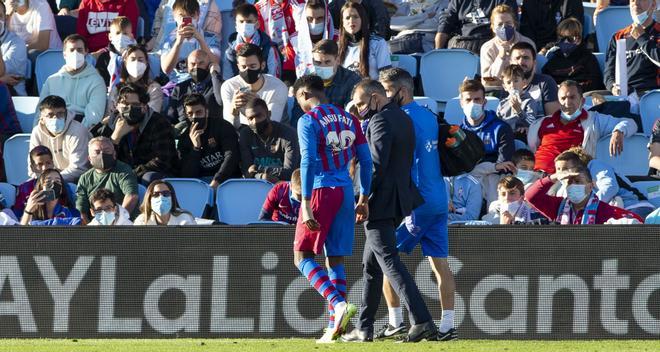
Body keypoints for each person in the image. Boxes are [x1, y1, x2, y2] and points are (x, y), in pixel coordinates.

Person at [342, 79, 436, 343]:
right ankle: (364, 327)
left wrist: (363, 198)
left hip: (380, 202)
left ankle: (422, 320)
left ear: (375, 97)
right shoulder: (403, 118)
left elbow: (376, 165)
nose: (359, 109)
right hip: (397, 199)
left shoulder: (380, 121)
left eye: (361, 103)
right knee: (371, 267)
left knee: (389, 262)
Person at [291, 74, 372, 343]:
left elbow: (308, 161)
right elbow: (366, 161)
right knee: (335, 259)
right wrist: (364, 197)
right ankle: (334, 328)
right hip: (346, 191)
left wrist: (305, 203)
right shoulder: (350, 119)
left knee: (302, 256)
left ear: (303, 95)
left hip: (320, 190)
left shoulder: (308, 120)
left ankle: (337, 304)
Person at [378, 68, 457, 341]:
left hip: (417, 201)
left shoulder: (400, 120)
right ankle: (447, 326)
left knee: (386, 258)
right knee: (440, 265)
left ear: (401, 91)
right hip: (437, 198)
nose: (384, 98)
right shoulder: (428, 114)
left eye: (387, 92)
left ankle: (396, 321)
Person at [527, 80, 638, 174]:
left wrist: (619, 131)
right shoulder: (542, 123)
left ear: (582, 100)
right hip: (537, 174)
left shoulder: (594, 120)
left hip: (570, 177)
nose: (567, 102)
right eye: (563, 98)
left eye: (572, 97)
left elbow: (630, 123)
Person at [103, 83, 177, 185]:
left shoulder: (158, 123)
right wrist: (115, 138)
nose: (129, 108)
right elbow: (104, 163)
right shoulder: (111, 123)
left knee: (149, 177)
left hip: (149, 175)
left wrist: (132, 174)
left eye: (135, 105)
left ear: (145, 107)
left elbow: (162, 160)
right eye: (125, 104)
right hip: (120, 175)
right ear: (117, 106)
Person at [553, 147, 656, 219]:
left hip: (633, 207)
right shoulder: (566, 185)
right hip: (610, 214)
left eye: (567, 167)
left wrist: (585, 208)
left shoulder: (594, 165)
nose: (563, 172)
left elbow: (610, 188)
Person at [459, 79, 515, 204]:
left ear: (484, 102)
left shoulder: (501, 128)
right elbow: (460, 167)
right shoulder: (458, 132)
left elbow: (504, 166)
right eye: (468, 100)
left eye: (477, 99)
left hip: (493, 180)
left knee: (493, 179)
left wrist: (483, 168)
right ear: (461, 103)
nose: (472, 103)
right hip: (468, 179)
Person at [526, 166, 643, 224]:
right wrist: (554, 177)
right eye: (569, 182)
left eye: (578, 181)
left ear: (591, 186)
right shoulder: (558, 206)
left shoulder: (606, 211)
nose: (573, 185)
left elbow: (636, 221)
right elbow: (531, 196)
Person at [39, 34, 107, 129]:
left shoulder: (96, 81)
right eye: (71, 50)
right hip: (52, 128)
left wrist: (75, 133)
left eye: (79, 50)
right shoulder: (51, 80)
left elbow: (93, 117)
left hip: (81, 130)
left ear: (86, 52)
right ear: (64, 54)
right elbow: (40, 112)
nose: (75, 54)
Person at [290, 39, 361, 126]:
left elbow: (350, 115)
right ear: (312, 61)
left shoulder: (352, 80)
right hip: (313, 129)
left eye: (327, 62)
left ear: (337, 60)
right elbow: (297, 118)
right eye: (318, 62)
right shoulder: (305, 83)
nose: (322, 66)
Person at [177, 93, 241, 188]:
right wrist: (196, 148)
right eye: (190, 114)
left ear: (206, 112)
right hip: (201, 182)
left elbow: (231, 156)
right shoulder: (184, 138)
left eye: (199, 112)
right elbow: (187, 174)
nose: (194, 117)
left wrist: (217, 180)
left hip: (228, 179)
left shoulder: (223, 126)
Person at [220, 43, 288, 129]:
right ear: (238, 67)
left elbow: (271, 124)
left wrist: (258, 106)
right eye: (243, 67)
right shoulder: (229, 87)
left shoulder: (277, 87)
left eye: (253, 66)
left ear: (262, 65)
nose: (247, 71)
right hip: (241, 135)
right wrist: (234, 111)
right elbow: (229, 127)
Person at [76, 136, 139, 223]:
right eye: (97, 152)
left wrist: (118, 221)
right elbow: (81, 210)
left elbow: (132, 196)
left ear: (114, 154)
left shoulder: (123, 170)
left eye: (106, 151)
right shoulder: (85, 178)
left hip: (124, 224)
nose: (102, 154)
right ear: (89, 158)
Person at [604, 0, 659, 96]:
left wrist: (641, 37)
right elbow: (609, 73)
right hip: (624, 93)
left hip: (652, 93)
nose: (636, 3)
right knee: (588, 97)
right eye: (632, 0)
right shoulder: (618, 36)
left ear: (653, 5)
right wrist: (613, 87)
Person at [29, 95, 90, 183]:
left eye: (60, 114)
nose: (55, 118)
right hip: (46, 180)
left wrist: (53, 179)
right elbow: (33, 165)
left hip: (76, 181)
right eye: (50, 115)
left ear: (66, 113)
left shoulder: (78, 130)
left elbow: (78, 167)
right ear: (41, 118)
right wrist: (44, 181)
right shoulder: (37, 132)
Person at [158, 0, 220, 85]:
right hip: (177, 84)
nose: (187, 20)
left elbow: (215, 63)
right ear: (174, 16)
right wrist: (178, 43)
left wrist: (200, 40)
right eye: (182, 16)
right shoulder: (169, 39)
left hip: (204, 83)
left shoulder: (210, 37)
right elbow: (166, 69)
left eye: (191, 15)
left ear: (198, 15)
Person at [239, 98, 299, 183]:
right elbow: (247, 172)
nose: (255, 121)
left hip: (285, 186)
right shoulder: (245, 134)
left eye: (259, 116)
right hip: (255, 185)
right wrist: (262, 176)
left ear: (269, 114)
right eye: (250, 118)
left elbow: (290, 173)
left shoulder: (288, 134)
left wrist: (260, 169)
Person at [542, 18, 604, 93]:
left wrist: (572, 90)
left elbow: (595, 83)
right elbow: (545, 82)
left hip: (582, 97)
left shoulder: (588, 58)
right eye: (562, 38)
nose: (565, 41)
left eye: (570, 39)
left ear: (578, 39)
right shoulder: (553, 59)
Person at [480, 4, 535, 89]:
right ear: (493, 27)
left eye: (508, 23)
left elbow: (531, 73)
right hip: (498, 91)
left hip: (525, 90)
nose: (504, 27)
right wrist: (501, 57)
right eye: (500, 24)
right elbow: (487, 81)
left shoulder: (527, 43)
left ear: (514, 25)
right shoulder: (487, 48)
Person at [434, 0, 517, 54]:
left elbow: (506, 27)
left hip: (487, 45)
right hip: (458, 45)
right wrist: (437, 52)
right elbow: (445, 24)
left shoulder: (504, 1)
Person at [224, 3, 281, 80]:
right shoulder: (230, 52)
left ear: (257, 24)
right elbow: (228, 81)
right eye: (241, 21)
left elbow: (274, 79)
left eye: (249, 21)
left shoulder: (269, 48)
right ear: (236, 25)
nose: (245, 25)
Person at [338, 2, 391, 79]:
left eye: (355, 17)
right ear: (342, 22)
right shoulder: (337, 46)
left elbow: (386, 78)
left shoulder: (378, 43)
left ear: (363, 20)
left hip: (373, 89)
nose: (351, 20)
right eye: (347, 18)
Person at [107, 45, 163, 117]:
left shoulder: (153, 88)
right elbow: (110, 114)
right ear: (125, 62)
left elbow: (152, 115)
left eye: (140, 60)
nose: (136, 63)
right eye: (132, 59)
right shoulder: (116, 88)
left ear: (146, 63)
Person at [167, 49, 221, 123]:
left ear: (209, 65)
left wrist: (214, 74)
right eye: (192, 64)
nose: (196, 67)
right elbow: (171, 117)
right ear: (187, 67)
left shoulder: (216, 85)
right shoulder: (179, 88)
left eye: (201, 63)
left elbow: (220, 100)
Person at [510, 41, 561, 116]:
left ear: (534, 63)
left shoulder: (546, 83)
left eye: (526, 58)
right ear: (510, 62)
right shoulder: (507, 84)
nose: (521, 62)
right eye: (517, 58)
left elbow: (552, 119)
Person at [496, 64, 544, 137]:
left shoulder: (529, 101)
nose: (512, 85)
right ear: (505, 87)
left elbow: (532, 122)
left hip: (521, 135)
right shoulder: (502, 104)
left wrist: (519, 111)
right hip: (505, 136)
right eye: (509, 82)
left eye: (516, 81)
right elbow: (497, 123)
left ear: (524, 83)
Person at [293, 0, 337, 78]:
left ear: (326, 18)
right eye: (310, 19)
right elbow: (288, 72)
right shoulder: (293, 41)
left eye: (319, 18)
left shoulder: (338, 38)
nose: (314, 23)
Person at [519, 0, 583, 50]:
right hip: (533, 49)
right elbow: (526, 30)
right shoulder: (529, 2)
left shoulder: (573, 2)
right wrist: (532, 49)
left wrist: (547, 49)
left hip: (560, 51)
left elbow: (570, 36)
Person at [95, 16, 137, 87]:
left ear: (131, 36)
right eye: (117, 33)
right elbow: (100, 80)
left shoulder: (136, 57)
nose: (121, 37)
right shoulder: (104, 58)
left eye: (125, 34)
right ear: (110, 36)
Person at [13, 145, 53, 217]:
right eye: (40, 164)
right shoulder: (24, 188)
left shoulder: (62, 186)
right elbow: (17, 215)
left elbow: (71, 214)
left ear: (53, 164)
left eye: (48, 163)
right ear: (32, 168)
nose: (45, 168)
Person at [0, 1, 28, 96]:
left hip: (13, 98)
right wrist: (1, 79)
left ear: (6, 18)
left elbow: (1, 71)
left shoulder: (17, 43)